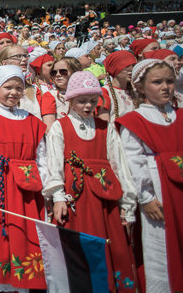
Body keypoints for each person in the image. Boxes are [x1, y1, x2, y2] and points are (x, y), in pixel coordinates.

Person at [44, 71, 137, 292]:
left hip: (105, 201)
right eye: (82, 101)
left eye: (92, 101)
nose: (87, 106)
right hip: (77, 200)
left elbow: (119, 165)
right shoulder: (60, 126)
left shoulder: (106, 128)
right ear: (71, 100)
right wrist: (58, 197)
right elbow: (54, 163)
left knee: (114, 248)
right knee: (81, 249)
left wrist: (126, 203)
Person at [0, 65, 48, 291]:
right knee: (4, 239)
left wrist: (46, 191)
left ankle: (24, 285)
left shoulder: (33, 121)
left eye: (18, 88)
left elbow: (42, 158)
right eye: (8, 87)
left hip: (30, 193)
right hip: (3, 191)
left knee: (29, 239)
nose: (13, 92)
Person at [116, 59, 182, 293]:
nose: (165, 87)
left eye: (169, 81)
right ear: (141, 87)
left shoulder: (180, 115)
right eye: (157, 82)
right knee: (160, 246)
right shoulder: (134, 121)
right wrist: (144, 197)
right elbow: (132, 161)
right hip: (158, 190)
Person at [0, 45, 42, 119]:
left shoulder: (35, 89)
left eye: (25, 56)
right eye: (18, 56)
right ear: (4, 63)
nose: (24, 59)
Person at [40, 57, 82, 131]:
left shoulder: (87, 94)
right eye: (54, 73)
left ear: (75, 72)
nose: (58, 75)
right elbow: (49, 129)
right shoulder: (50, 95)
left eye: (63, 72)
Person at [97, 51, 137, 121]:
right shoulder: (105, 92)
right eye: (127, 66)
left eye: (133, 66)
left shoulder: (135, 92)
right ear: (115, 68)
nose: (131, 69)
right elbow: (104, 123)